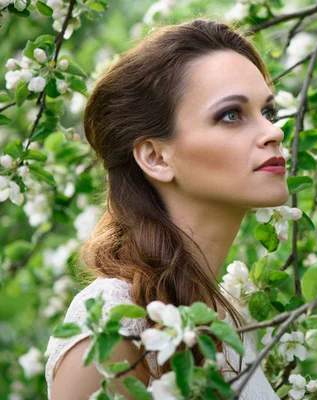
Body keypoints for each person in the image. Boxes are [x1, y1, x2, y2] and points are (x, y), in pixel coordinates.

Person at [44, 18, 288, 399]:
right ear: (156, 157)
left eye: (268, 113)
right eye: (231, 115)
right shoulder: (115, 324)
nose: (274, 132)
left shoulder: (228, 320)